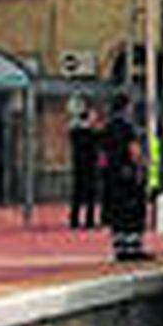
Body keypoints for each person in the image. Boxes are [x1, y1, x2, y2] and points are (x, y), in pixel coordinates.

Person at [101, 93, 151, 261]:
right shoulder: (128, 127)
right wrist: (143, 164)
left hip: (112, 175)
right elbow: (134, 150)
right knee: (133, 209)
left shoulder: (107, 127)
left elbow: (103, 154)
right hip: (127, 173)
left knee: (117, 210)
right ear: (126, 107)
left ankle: (120, 247)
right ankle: (133, 247)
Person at [67, 100, 102, 229]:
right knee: (89, 193)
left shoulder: (75, 130)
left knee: (78, 193)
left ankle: (75, 220)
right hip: (88, 164)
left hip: (79, 164)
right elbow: (98, 137)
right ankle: (88, 220)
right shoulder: (87, 131)